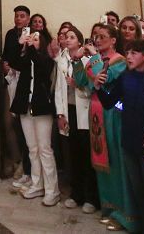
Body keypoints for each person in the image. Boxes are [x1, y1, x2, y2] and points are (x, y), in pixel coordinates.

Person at [74, 23, 137, 231]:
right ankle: (109, 208)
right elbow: (82, 80)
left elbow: (104, 77)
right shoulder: (96, 60)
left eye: (102, 36)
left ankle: (125, 214)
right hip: (96, 113)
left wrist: (94, 58)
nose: (98, 40)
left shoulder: (119, 61)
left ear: (113, 40)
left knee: (116, 161)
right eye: (95, 36)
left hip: (113, 113)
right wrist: (77, 60)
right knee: (102, 163)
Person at [103, 39, 144, 234]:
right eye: (127, 52)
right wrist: (99, 86)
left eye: (134, 53)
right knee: (138, 192)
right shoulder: (126, 78)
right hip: (129, 141)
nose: (128, 56)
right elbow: (109, 102)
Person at [11, 27, 61, 206]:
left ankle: (52, 189)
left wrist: (31, 47)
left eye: (37, 39)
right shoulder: (26, 59)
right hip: (26, 107)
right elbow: (14, 61)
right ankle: (37, 183)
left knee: (44, 149)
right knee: (32, 148)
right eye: (32, 38)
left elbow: (41, 66)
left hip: (41, 108)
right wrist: (20, 44)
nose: (33, 40)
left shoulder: (47, 60)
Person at [54, 25, 99, 214]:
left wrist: (77, 85)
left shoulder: (88, 60)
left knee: (86, 153)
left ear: (80, 41)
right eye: (66, 36)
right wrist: (60, 114)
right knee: (73, 154)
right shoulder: (62, 59)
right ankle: (76, 193)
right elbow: (58, 88)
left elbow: (92, 88)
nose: (69, 39)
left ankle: (90, 197)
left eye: (73, 36)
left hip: (85, 111)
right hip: (69, 110)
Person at [4, 5, 32, 187]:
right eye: (16, 16)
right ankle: (19, 160)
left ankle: (28, 167)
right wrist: (6, 64)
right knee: (13, 123)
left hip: (28, 82)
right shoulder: (10, 34)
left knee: (28, 126)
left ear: (28, 18)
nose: (18, 19)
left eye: (22, 16)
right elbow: (8, 54)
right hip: (13, 79)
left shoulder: (33, 35)